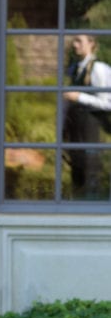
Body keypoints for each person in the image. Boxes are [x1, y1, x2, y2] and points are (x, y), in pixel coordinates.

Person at [62, 34, 111, 199]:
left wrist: (79, 97)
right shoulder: (75, 68)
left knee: (91, 176)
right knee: (77, 175)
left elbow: (108, 103)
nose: (75, 45)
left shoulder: (99, 69)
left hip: (91, 133)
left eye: (79, 41)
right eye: (74, 40)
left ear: (92, 43)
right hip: (75, 133)